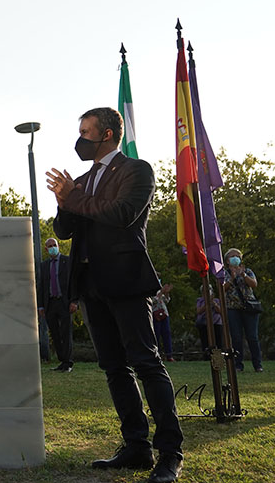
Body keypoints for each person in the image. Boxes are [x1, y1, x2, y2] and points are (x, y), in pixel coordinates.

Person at [46, 107, 183, 483]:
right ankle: (136, 446)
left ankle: (170, 453)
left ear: (106, 134)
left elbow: (121, 213)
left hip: (125, 279)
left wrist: (74, 198)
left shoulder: (136, 171)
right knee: (113, 369)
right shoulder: (82, 180)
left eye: (86, 131)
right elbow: (66, 227)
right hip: (90, 285)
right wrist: (63, 200)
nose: (81, 139)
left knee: (146, 362)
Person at [37, 237, 75, 372]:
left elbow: (73, 282)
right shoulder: (44, 265)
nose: (53, 247)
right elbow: (41, 286)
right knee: (55, 333)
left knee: (65, 333)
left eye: (55, 245)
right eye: (50, 246)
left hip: (64, 302)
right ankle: (62, 361)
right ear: (46, 249)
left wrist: (74, 301)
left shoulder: (67, 261)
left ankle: (68, 362)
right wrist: (41, 306)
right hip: (50, 303)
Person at [222, 248, 262, 373]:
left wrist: (243, 275)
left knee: (252, 337)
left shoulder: (248, 271)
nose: (235, 258)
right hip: (233, 308)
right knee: (236, 337)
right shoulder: (224, 273)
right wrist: (232, 278)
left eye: (237, 256)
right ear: (227, 261)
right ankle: (238, 364)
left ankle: (258, 364)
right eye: (232, 256)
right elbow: (222, 289)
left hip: (249, 308)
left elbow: (254, 284)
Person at [195, 286, 224, 360]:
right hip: (204, 324)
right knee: (205, 342)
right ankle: (207, 358)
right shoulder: (200, 301)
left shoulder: (217, 300)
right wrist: (206, 304)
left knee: (218, 342)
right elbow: (199, 311)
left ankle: (217, 359)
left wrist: (213, 303)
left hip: (216, 323)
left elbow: (220, 311)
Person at [152, 282, 175, 362]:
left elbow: (166, 301)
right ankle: (157, 356)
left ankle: (169, 355)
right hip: (155, 315)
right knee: (156, 335)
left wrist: (166, 293)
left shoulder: (160, 291)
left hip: (164, 314)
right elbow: (152, 302)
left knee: (167, 334)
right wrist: (161, 292)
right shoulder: (150, 291)